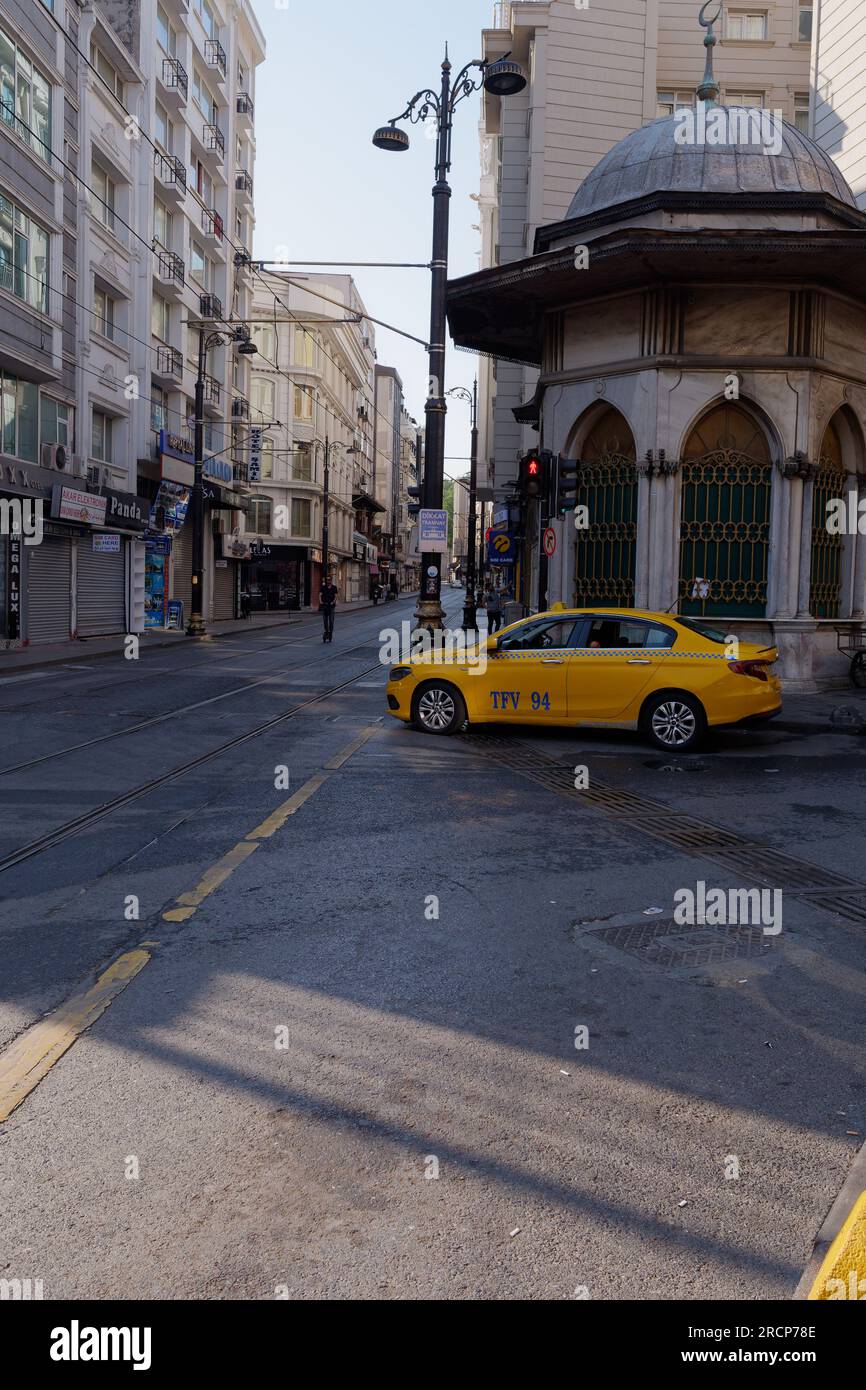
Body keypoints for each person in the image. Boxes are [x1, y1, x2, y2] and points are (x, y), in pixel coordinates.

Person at [319, 577, 338, 642]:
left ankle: (330, 632)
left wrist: (333, 601)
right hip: (324, 605)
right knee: (325, 620)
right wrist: (320, 601)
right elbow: (320, 594)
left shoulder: (334, 588)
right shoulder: (323, 587)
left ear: (331, 581)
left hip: (331, 606)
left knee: (331, 621)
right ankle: (326, 631)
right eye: (327, 580)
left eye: (329, 580)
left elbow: (336, 596)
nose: (328, 581)